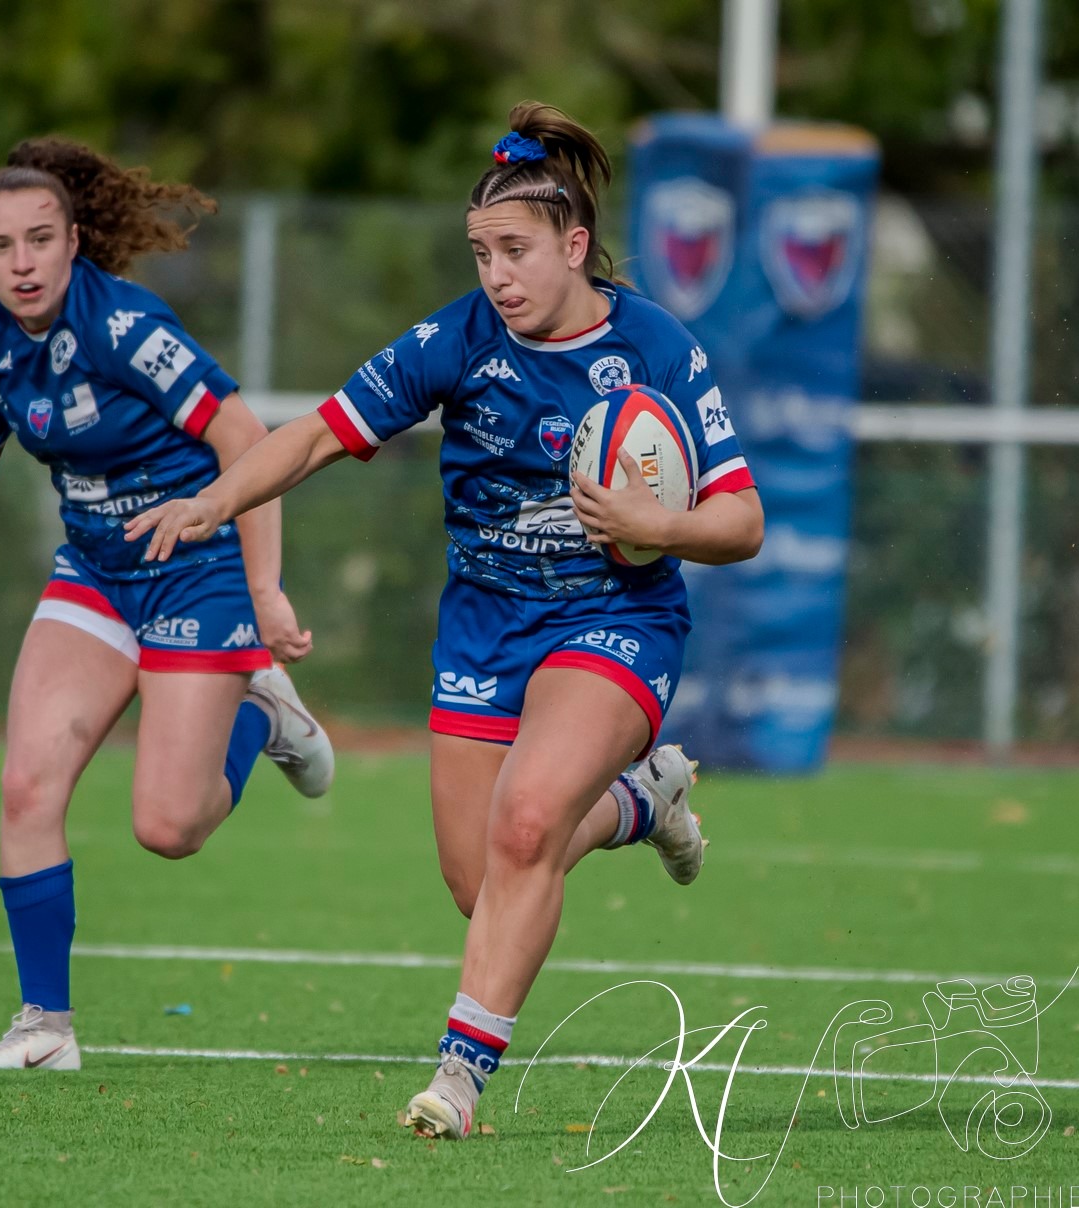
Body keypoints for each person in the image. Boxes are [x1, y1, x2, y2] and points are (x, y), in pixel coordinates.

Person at [126, 102, 764, 1136]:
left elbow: (740, 521)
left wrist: (656, 520)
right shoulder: (456, 339)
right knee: (483, 887)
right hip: (482, 625)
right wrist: (213, 499)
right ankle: (641, 801)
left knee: (525, 824)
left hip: (614, 619)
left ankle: (458, 1075)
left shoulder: (653, 345)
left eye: (513, 250)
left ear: (570, 245)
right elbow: (317, 435)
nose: (495, 275)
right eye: (478, 253)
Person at [0, 137, 335, 1071]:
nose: (21, 263)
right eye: (0, 247)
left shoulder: (125, 328)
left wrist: (266, 589)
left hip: (196, 566)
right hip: (97, 573)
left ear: (74, 240)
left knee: (168, 829)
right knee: (27, 784)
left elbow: (251, 444)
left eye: (39, 240)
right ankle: (45, 1029)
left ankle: (260, 713)